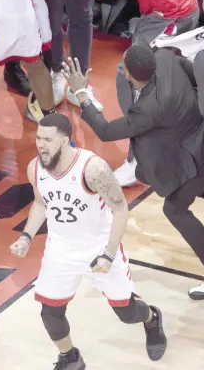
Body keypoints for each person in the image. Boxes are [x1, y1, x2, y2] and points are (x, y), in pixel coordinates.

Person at [33, 0, 199, 184]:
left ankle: (139, 162)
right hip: (162, 12)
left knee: (132, 77)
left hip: (170, 16)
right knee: (155, 82)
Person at [10, 113, 167, 370]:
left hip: (98, 248)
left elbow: (121, 210)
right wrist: (26, 237)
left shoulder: (93, 169)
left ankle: (151, 318)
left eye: (47, 139)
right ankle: (71, 359)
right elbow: (41, 204)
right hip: (60, 249)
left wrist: (108, 254)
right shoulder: (35, 168)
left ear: (64, 141)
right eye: (38, 137)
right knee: (49, 312)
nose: (40, 144)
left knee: (127, 313)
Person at [61, 48, 204, 300]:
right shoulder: (167, 59)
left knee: (175, 209)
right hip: (197, 138)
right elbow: (195, 77)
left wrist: (82, 94)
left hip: (191, 159)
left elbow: (105, 131)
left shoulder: (150, 108)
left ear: (128, 72)